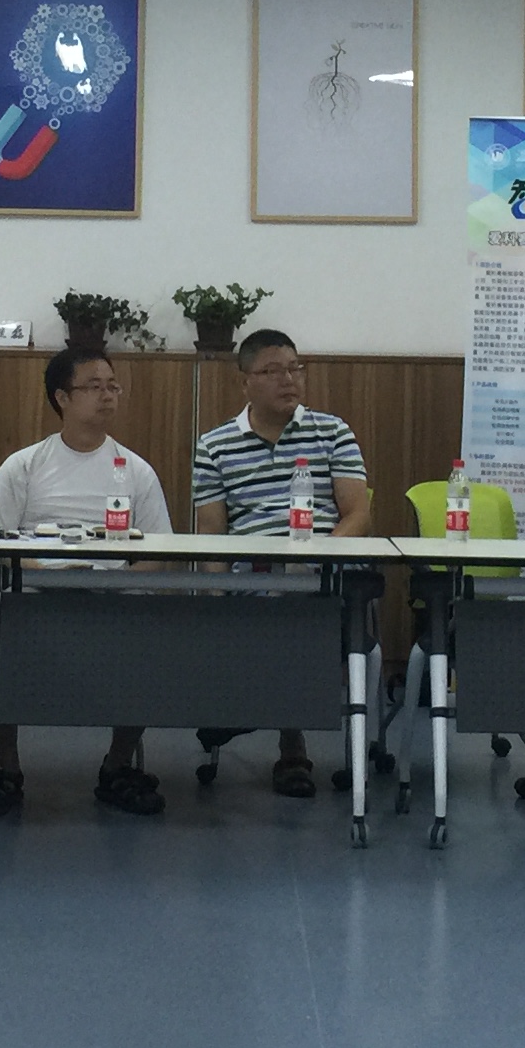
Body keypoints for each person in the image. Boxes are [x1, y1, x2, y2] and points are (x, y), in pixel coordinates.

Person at [0, 348, 176, 816]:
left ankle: (117, 766)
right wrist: (41, 574)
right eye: (94, 386)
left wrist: (118, 582)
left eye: (113, 386)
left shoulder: (135, 470)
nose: (107, 396)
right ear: (62, 397)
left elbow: (159, 555)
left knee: (152, 630)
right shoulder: (25, 465)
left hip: (112, 599)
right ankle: (7, 767)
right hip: (36, 596)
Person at [189, 329, 372, 799]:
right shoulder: (215, 445)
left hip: (323, 569)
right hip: (253, 575)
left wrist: (319, 556)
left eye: (294, 368)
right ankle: (282, 736)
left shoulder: (332, 431)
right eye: (272, 371)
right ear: (245, 382)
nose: (288, 379)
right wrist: (213, 599)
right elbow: (211, 535)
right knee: (270, 601)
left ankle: (269, 726)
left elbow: (357, 515)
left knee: (296, 599)